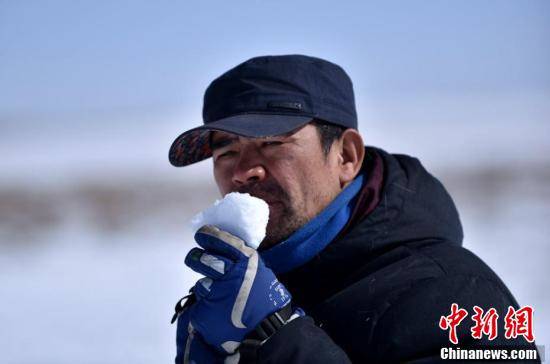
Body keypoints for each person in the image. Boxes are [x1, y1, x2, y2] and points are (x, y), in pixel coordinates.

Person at [168, 55, 540, 363]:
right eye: (227, 152)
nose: (245, 171)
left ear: (346, 156)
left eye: (273, 143)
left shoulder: (458, 295)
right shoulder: (241, 296)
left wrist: (275, 338)